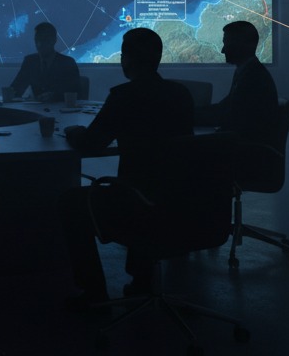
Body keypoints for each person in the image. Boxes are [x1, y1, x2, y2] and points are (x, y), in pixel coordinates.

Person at [60, 27, 194, 307]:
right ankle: (142, 280)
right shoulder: (181, 94)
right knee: (147, 187)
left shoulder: (124, 96)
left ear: (127, 59)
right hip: (182, 198)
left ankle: (93, 293)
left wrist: (72, 131)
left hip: (137, 200)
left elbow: (91, 144)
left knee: (71, 202)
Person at [196, 21, 279, 145]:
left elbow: (228, 116)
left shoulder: (253, 78)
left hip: (244, 150)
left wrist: (186, 115)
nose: (223, 50)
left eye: (227, 44)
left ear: (243, 45)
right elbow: (225, 107)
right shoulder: (247, 71)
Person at [7, 21, 81, 102]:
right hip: (36, 110)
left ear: (54, 40)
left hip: (61, 110)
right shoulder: (30, 62)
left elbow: (75, 93)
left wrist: (55, 96)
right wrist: (9, 94)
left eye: (44, 40)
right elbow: (16, 88)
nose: (39, 44)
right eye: (37, 40)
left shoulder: (67, 63)